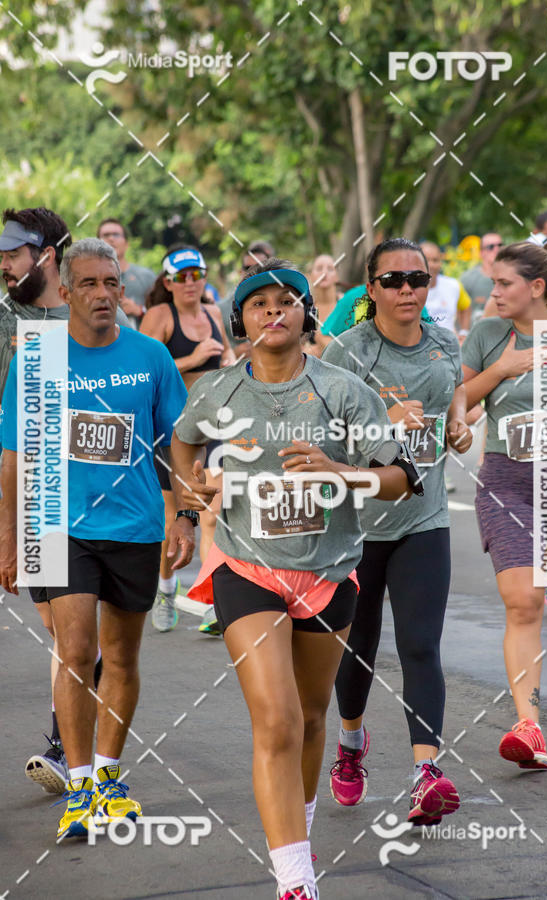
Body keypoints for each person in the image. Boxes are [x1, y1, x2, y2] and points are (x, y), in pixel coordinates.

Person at [170, 258, 419, 900]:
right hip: (246, 566)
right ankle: (295, 881)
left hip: (328, 571)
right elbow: (183, 444)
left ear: (307, 315)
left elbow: (398, 479)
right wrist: (191, 496)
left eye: (287, 302)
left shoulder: (344, 391)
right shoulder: (218, 392)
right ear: (241, 320)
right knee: (277, 720)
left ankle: (297, 826)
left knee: (311, 717)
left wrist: (340, 472)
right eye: (259, 304)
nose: (273, 312)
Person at [0, 239, 188, 838]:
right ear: (65, 292)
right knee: (76, 651)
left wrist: (183, 515)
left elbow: (179, 441)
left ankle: (108, 777)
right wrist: (9, 537)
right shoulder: (37, 358)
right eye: (89, 284)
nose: (104, 294)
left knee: (124, 658)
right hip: (54, 518)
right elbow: (11, 456)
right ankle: (79, 787)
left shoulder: (151, 357)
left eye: (112, 283)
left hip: (134, 524)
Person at [322, 238, 470, 824]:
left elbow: (451, 391)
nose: (407, 289)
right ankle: (352, 745)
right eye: (394, 280)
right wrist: (381, 423)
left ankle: (425, 772)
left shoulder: (444, 341)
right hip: (355, 528)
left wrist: (456, 422)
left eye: (418, 278)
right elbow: (321, 438)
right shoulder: (346, 352)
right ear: (371, 287)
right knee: (358, 648)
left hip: (422, 518)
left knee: (418, 643)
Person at [0, 208, 129, 795]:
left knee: (69, 634)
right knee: (62, 630)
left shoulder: (93, 316)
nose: (4, 265)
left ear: (47, 256)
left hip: (58, 491)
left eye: (13, 254)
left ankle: (70, 751)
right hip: (14, 482)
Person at [461, 240, 547, 767]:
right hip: (508, 481)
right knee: (524, 602)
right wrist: (503, 369)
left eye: (504, 284)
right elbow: (463, 399)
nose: (493, 292)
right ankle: (529, 724)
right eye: (493, 283)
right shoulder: (486, 334)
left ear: (536, 287)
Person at [140, 245, 235, 633]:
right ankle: (165, 588)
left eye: (197, 274)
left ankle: (212, 603)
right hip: (171, 430)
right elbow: (144, 371)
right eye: (182, 277)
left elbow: (227, 357)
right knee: (173, 518)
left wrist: (227, 363)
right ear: (168, 282)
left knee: (211, 513)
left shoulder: (214, 312)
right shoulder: (160, 316)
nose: (191, 282)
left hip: (214, 426)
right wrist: (194, 359)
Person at [219, 240, 275, 357]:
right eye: (248, 267)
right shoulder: (219, 309)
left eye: (260, 267)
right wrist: (234, 353)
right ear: (241, 271)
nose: (254, 272)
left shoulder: (281, 305)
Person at [97, 218, 156, 329]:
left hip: (140, 342)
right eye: (105, 235)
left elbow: (164, 314)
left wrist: (140, 311)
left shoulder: (147, 276)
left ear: (127, 243)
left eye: (116, 235)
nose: (111, 238)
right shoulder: (87, 280)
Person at [420, 241, 472, 339]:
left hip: (449, 346)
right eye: (426, 260)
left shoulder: (453, 285)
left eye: (435, 260)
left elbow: (466, 307)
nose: (431, 265)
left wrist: (464, 332)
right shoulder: (409, 289)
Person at [303, 254, 340, 357]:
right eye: (319, 269)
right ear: (310, 276)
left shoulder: (348, 307)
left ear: (337, 276)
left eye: (330, 269)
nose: (324, 273)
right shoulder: (304, 310)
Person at [460, 233, 503, 316]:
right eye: (491, 247)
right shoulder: (468, 279)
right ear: (481, 253)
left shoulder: (511, 278)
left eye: (500, 245)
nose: (497, 249)